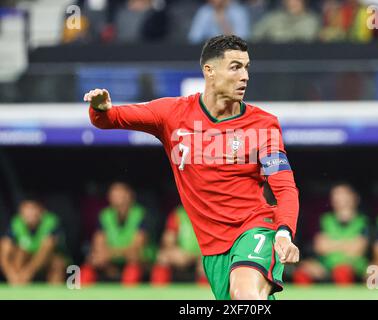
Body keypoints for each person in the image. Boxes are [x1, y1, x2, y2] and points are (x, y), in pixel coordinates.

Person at [84, 34, 300, 300]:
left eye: (247, 67)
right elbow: (109, 118)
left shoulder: (263, 125)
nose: (245, 76)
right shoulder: (172, 114)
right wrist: (99, 107)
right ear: (209, 71)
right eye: (235, 67)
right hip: (213, 249)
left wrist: (284, 231)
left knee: (244, 295)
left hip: (256, 229)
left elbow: (285, 187)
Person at [80, 182, 154, 285]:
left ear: (130, 196)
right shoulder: (105, 215)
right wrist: (105, 256)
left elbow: (136, 246)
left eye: (121, 195)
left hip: (135, 260)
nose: (118, 200)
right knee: (91, 262)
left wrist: (111, 254)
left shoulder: (141, 214)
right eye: (114, 195)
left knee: (134, 262)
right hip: (111, 260)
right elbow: (98, 243)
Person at [294, 183, 368, 285]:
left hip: (353, 267)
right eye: (336, 196)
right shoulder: (325, 220)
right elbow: (320, 247)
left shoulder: (363, 221)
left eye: (344, 196)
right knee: (302, 272)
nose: (341, 200)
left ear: (355, 198)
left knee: (342, 272)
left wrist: (331, 244)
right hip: (326, 266)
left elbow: (357, 249)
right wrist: (347, 244)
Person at [0, 198, 67, 285]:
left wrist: (29, 271)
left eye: (33, 209)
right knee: (19, 252)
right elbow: (5, 246)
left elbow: (50, 245)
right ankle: (18, 287)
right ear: (21, 211)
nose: (30, 213)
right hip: (23, 263)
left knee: (57, 263)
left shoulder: (50, 221)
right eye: (27, 210)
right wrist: (10, 274)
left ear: (41, 210)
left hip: (46, 261)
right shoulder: (16, 223)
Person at [151, 205, 206, 285]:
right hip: (183, 254)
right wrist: (175, 251)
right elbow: (168, 240)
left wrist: (194, 256)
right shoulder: (179, 214)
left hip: (203, 255)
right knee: (162, 257)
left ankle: (205, 294)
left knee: (205, 265)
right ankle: (158, 294)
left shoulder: (207, 213)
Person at [252, 0, 320, 43]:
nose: (293, 2)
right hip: (274, 59)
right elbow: (255, 37)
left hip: (303, 60)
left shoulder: (312, 20)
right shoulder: (273, 18)